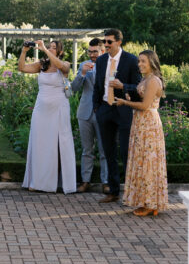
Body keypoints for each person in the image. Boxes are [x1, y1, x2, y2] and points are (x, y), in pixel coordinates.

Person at [18, 40, 76, 193]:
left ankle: (56, 183)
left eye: (53, 47)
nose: (50, 49)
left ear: (60, 51)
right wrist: (24, 51)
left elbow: (60, 66)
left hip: (59, 109)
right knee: (40, 144)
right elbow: (22, 68)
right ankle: (37, 182)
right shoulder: (41, 65)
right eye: (49, 46)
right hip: (41, 110)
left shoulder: (64, 65)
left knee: (58, 145)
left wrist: (43, 48)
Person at [115, 50, 168, 216]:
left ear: (152, 62)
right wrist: (132, 101)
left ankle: (151, 203)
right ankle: (146, 201)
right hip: (140, 122)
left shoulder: (153, 81)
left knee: (149, 162)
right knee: (142, 160)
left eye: (143, 61)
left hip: (149, 124)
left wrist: (125, 103)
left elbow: (145, 106)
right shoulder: (146, 79)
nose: (140, 64)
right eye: (139, 61)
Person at [92, 28, 141, 203]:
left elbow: (138, 86)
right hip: (105, 109)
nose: (106, 45)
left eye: (109, 42)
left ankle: (130, 193)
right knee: (108, 151)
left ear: (119, 42)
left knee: (126, 152)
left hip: (123, 109)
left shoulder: (131, 60)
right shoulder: (102, 60)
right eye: (104, 42)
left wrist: (123, 86)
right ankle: (113, 192)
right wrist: (96, 107)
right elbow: (97, 86)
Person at [71, 38, 110, 193]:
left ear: (102, 51)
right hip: (85, 112)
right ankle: (85, 181)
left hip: (103, 112)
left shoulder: (109, 65)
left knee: (104, 149)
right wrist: (82, 74)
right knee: (87, 150)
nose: (92, 54)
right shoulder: (83, 66)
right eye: (90, 51)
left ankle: (105, 182)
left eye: (95, 51)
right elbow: (74, 88)